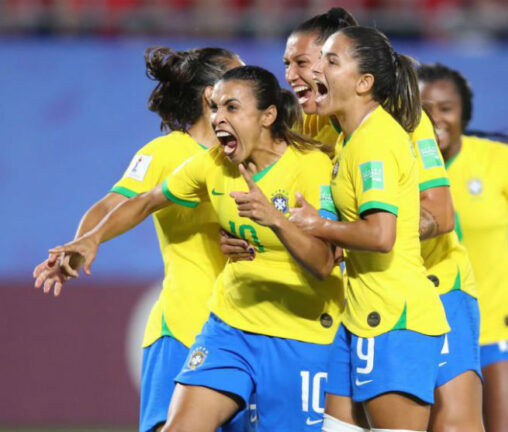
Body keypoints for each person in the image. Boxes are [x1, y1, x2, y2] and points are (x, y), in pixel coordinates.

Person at [221, 11, 485, 432]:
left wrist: (347, 232)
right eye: (287, 63)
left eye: (308, 62)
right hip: (358, 296)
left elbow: (440, 213)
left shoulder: (400, 121)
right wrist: (251, 234)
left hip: (429, 285)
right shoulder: (319, 125)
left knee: (454, 424)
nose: (294, 75)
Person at [46, 66, 344, 432]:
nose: (218, 118)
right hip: (230, 327)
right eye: (216, 107)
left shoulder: (311, 167)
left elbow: (324, 263)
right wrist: (92, 238)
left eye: (232, 108)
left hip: (298, 334)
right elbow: (145, 200)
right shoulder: (212, 165)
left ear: (268, 116)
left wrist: (276, 220)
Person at [32, 46, 247, 432]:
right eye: (241, 77)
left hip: (247, 332)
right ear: (210, 96)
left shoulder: (251, 158)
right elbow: (114, 203)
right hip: (184, 328)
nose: (254, 86)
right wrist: (85, 242)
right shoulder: (168, 153)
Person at [288, 26, 449, 432]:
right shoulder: (348, 141)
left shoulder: (375, 141)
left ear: (364, 84)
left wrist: (320, 224)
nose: (315, 69)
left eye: (330, 61)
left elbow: (381, 235)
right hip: (358, 311)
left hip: (396, 317)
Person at [418, 62, 508, 432]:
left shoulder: (500, 161)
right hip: (425, 330)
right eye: (423, 109)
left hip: (495, 326)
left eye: (446, 108)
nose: (435, 118)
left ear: (464, 115)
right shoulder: (399, 164)